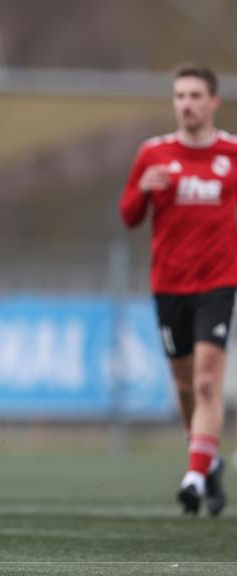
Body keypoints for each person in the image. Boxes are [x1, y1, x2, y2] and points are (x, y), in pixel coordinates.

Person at [120, 63, 236, 516]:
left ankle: (191, 476)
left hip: (218, 283)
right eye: (180, 96)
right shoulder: (152, 154)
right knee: (185, 388)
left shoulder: (230, 152)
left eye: (194, 95)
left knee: (208, 382)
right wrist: (144, 191)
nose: (186, 103)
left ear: (213, 102)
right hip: (169, 285)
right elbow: (128, 216)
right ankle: (209, 463)